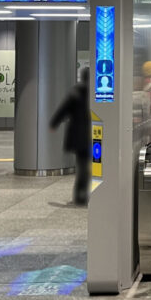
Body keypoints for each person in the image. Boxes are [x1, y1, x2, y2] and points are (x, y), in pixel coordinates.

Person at [50, 67, 92, 206]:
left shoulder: (75, 93)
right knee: (87, 167)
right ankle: (82, 195)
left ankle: (80, 195)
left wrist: (54, 123)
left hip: (79, 137)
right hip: (91, 135)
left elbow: (63, 109)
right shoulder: (95, 93)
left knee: (82, 167)